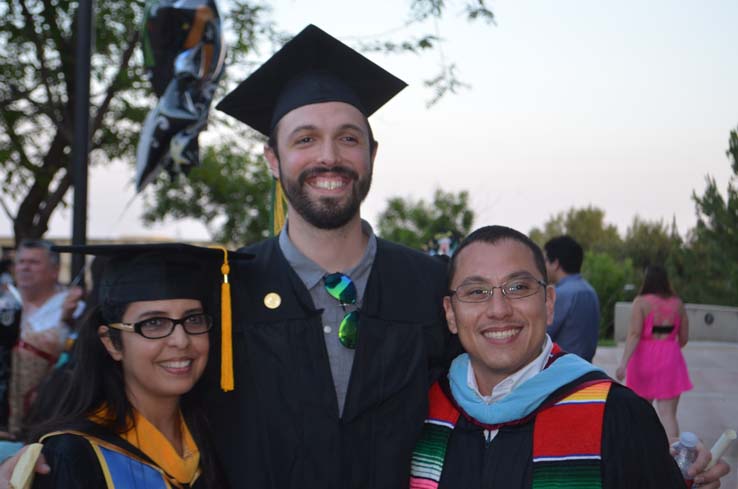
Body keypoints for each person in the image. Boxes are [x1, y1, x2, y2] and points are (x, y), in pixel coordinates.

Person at [209, 24, 454, 489]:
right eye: (304, 140)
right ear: (272, 159)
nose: (328, 157)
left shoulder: (431, 286)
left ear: (371, 154)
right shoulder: (226, 290)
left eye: (347, 138)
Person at [409, 225, 704, 488]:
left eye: (518, 288)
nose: (498, 309)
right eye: (476, 291)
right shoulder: (416, 408)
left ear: (549, 303)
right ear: (450, 313)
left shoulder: (617, 415)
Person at [15, 243, 246, 488]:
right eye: (154, 323)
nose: (181, 341)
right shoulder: (74, 454)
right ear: (111, 342)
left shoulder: (221, 437)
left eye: (194, 319)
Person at [7, 240, 84, 437]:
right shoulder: (5, 305)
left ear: (54, 270)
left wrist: (68, 318)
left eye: (34, 262)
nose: (25, 267)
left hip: (49, 414)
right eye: (21, 261)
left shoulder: (73, 307)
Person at [616, 265, 692, 439]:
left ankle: (643, 454)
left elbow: (634, 334)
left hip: (644, 360)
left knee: (641, 411)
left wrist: (623, 364)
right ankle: (672, 458)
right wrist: (668, 348)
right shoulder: (677, 303)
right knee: (668, 415)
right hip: (670, 357)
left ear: (647, 280)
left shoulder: (641, 302)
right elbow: (684, 338)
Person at [543, 235, 600, 361]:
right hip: (585, 368)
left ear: (556, 264)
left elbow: (541, 335)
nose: (543, 266)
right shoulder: (590, 291)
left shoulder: (560, 294)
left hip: (562, 370)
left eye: (545, 260)